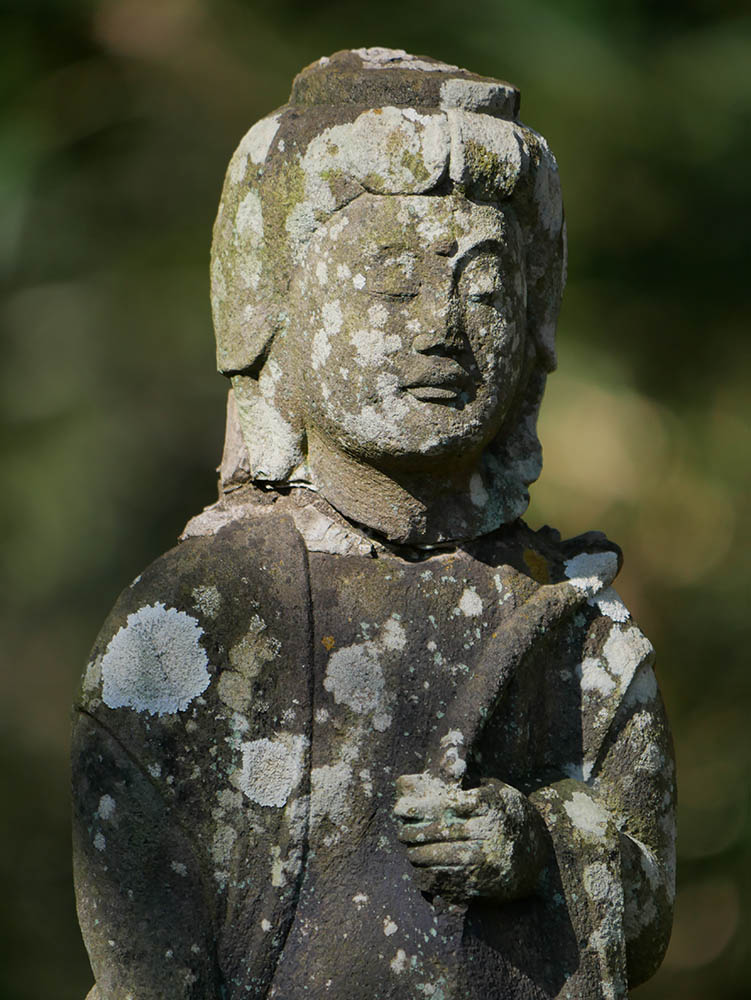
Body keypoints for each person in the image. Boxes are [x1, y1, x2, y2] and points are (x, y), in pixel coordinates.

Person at [72, 48, 675, 1000]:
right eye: (393, 283)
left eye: (485, 289)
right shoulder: (201, 616)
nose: (441, 328)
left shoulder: (574, 624)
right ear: (280, 306)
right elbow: (143, 945)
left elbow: (645, 897)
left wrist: (537, 843)